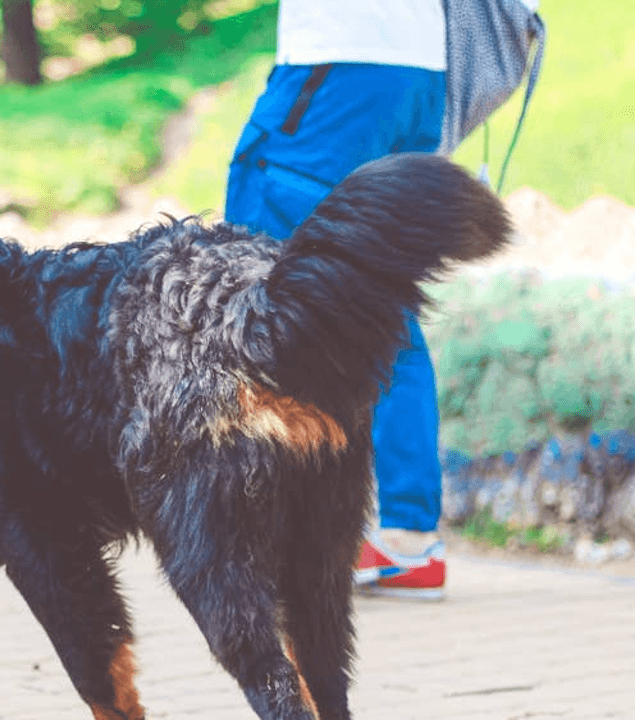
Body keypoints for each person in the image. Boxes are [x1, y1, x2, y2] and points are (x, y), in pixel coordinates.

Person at [223, 0, 449, 600]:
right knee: (381, 294)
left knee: (262, 278)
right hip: (421, 67)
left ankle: (281, 529)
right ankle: (409, 539)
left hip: (342, 58)